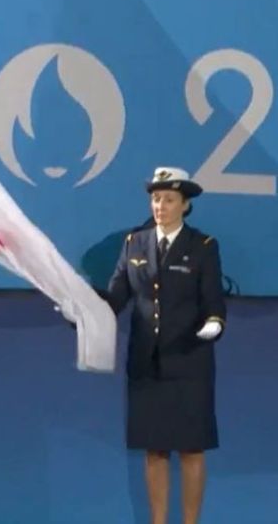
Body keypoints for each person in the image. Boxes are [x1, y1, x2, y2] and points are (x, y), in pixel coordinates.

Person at [101, 166, 225, 524]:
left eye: (169, 199)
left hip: (189, 363)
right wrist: (83, 307)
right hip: (146, 363)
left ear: (185, 205)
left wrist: (214, 324)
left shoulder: (202, 247)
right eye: (156, 199)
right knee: (154, 449)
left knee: (191, 449)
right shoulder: (134, 244)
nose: (160, 206)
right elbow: (115, 298)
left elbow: (213, 302)